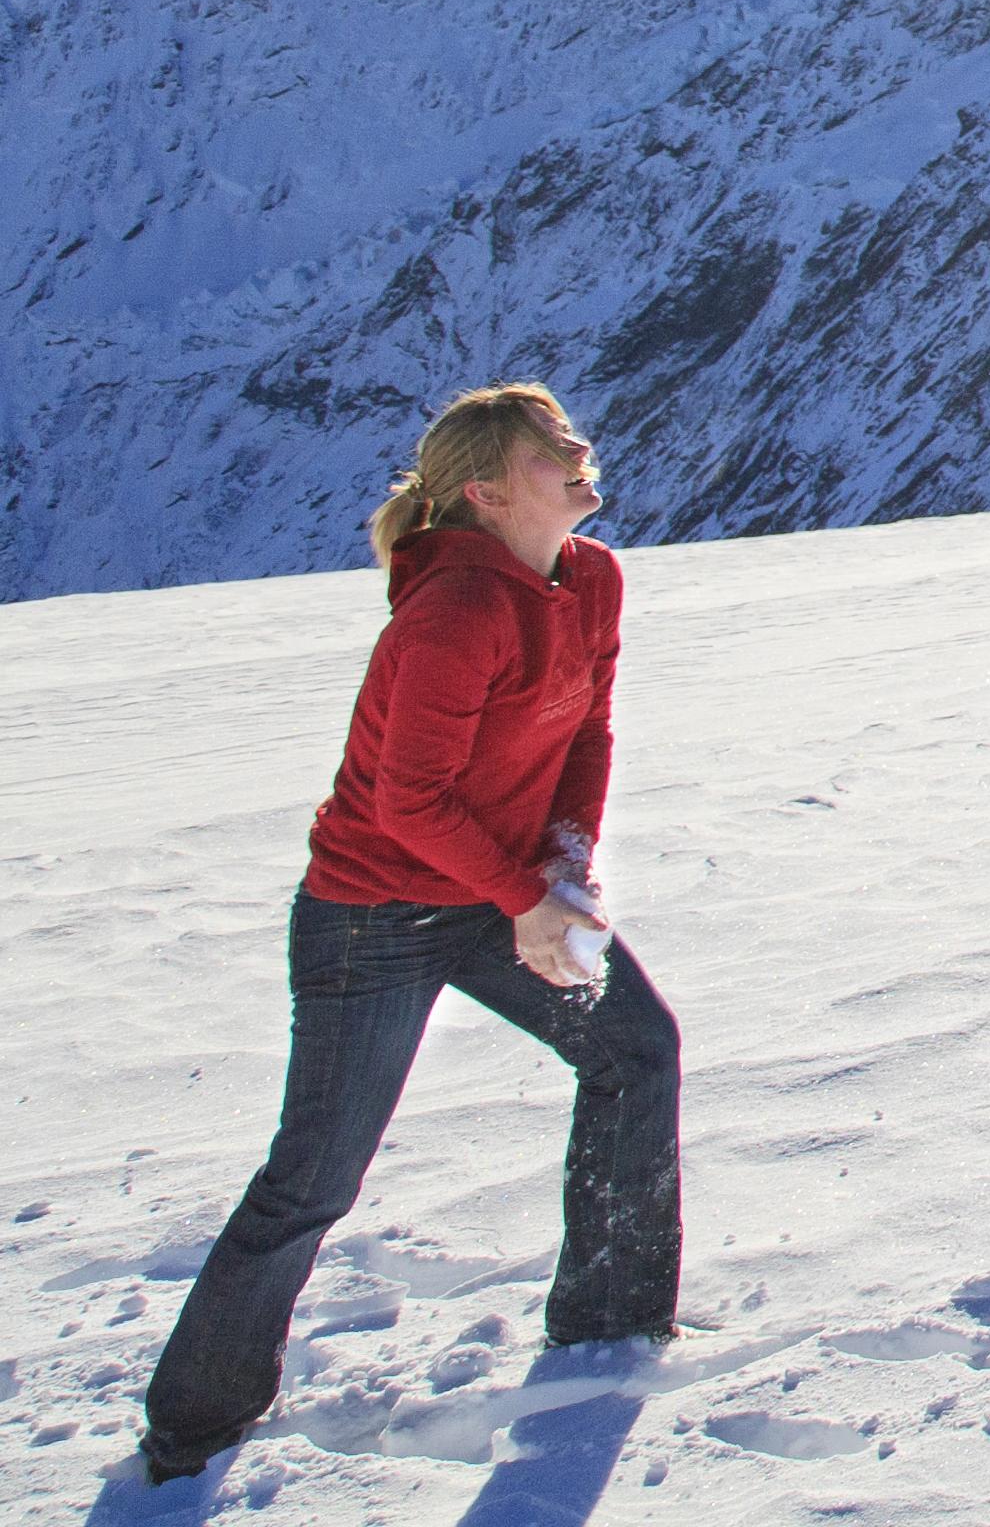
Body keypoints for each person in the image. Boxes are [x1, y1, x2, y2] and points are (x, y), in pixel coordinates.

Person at [142, 384, 683, 1485]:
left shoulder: (593, 577)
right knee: (315, 1175)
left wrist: (566, 873)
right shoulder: (455, 611)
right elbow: (409, 801)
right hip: (371, 915)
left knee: (636, 1049)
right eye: (553, 447)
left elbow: (589, 725)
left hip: (499, 889)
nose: (582, 451)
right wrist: (527, 900)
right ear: (486, 490)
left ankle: (608, 1328)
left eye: (572, 436)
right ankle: (191, 1426)